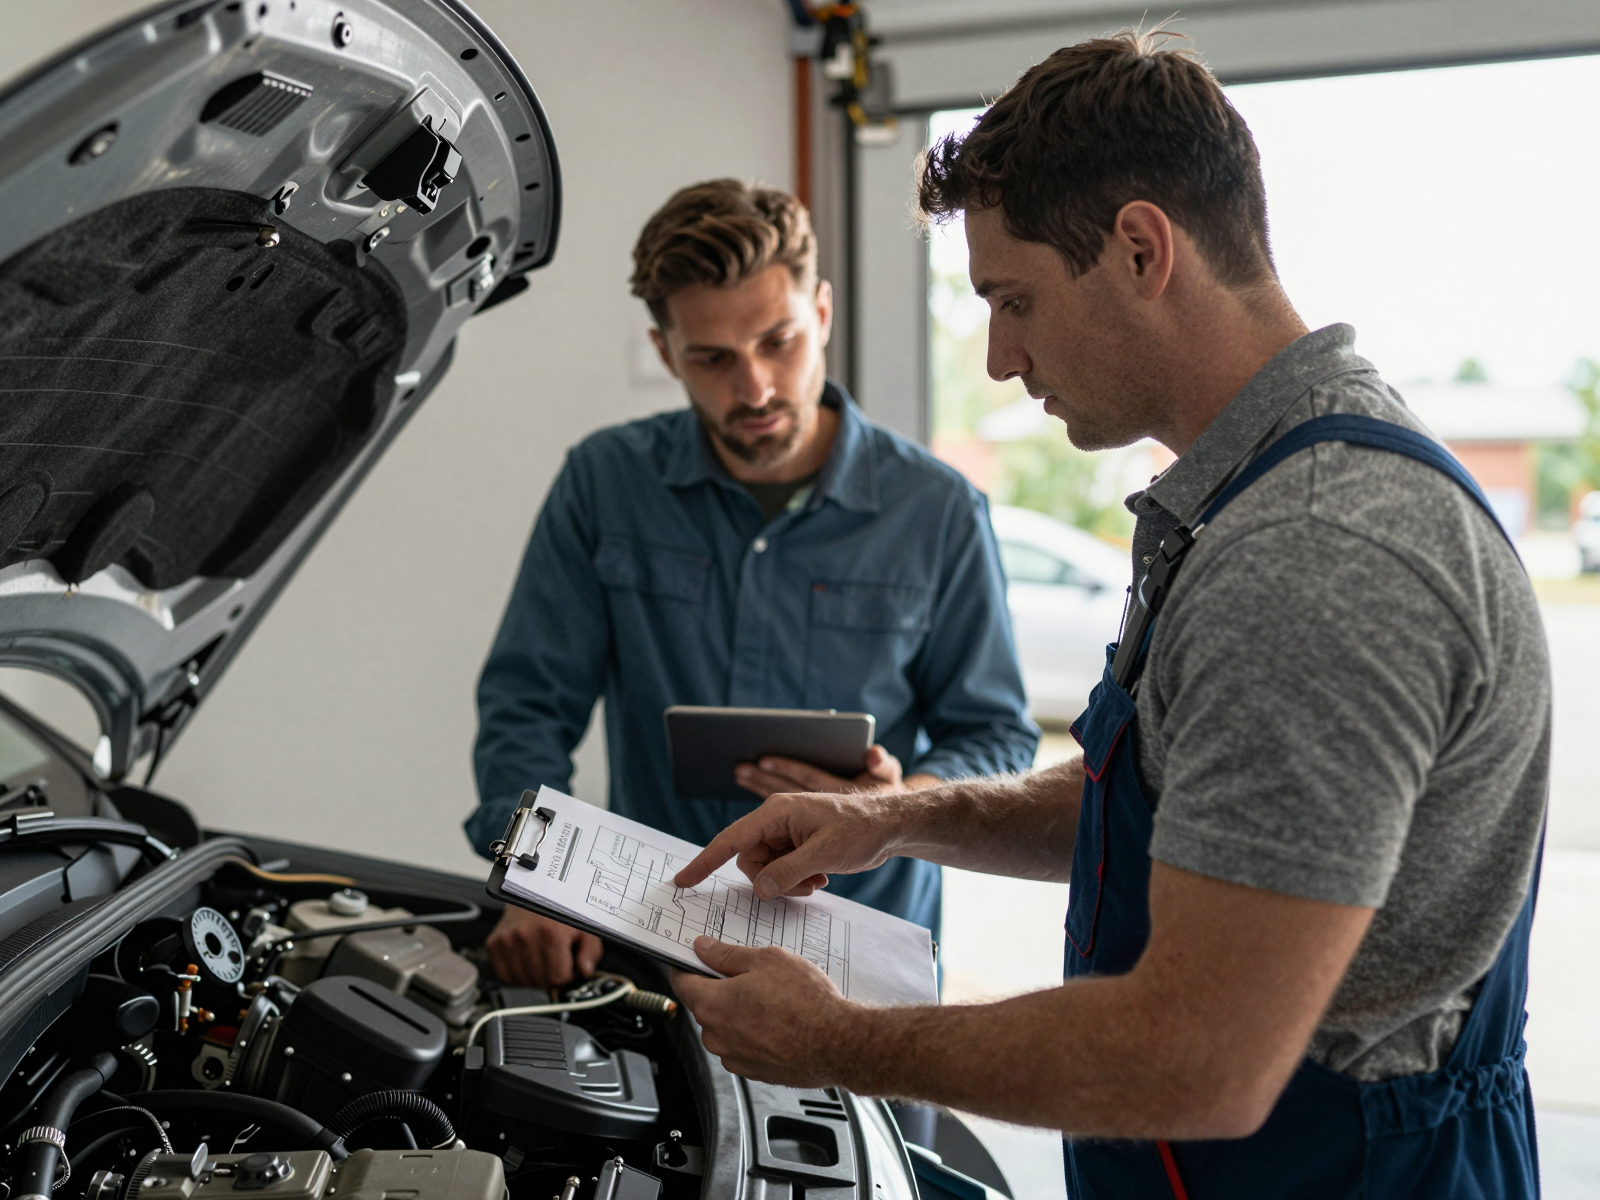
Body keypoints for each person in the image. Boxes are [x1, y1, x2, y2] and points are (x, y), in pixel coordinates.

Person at [668, 33, 1549, 1200]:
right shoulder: (1251, 497)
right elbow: (1161, 805)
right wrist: (897, 820)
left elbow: (1197, 1064)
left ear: (1140, 249)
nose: (998, 358)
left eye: (1013, 299)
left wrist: (837, 1042)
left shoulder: (1314, 554)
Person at [468, 180, 1038, 992]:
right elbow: (528, 705)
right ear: (666, 352)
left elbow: (996, 735)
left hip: (857, 959)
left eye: (780, 341)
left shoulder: (939, 512)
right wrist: (530, 869)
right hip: (647, 944)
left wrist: (896, 805)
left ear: (824, 315)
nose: (757, 388)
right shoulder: (604, 483)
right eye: (713, 359)